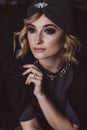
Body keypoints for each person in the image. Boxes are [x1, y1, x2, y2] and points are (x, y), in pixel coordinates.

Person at [1, 0, 87, 130]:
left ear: (65, 36)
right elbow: (31, 127)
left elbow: (70, 128)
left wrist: (42, 95)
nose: (37, 40)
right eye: (32, 29)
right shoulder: (18, 68)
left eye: (49, 31)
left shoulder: (80, 71)